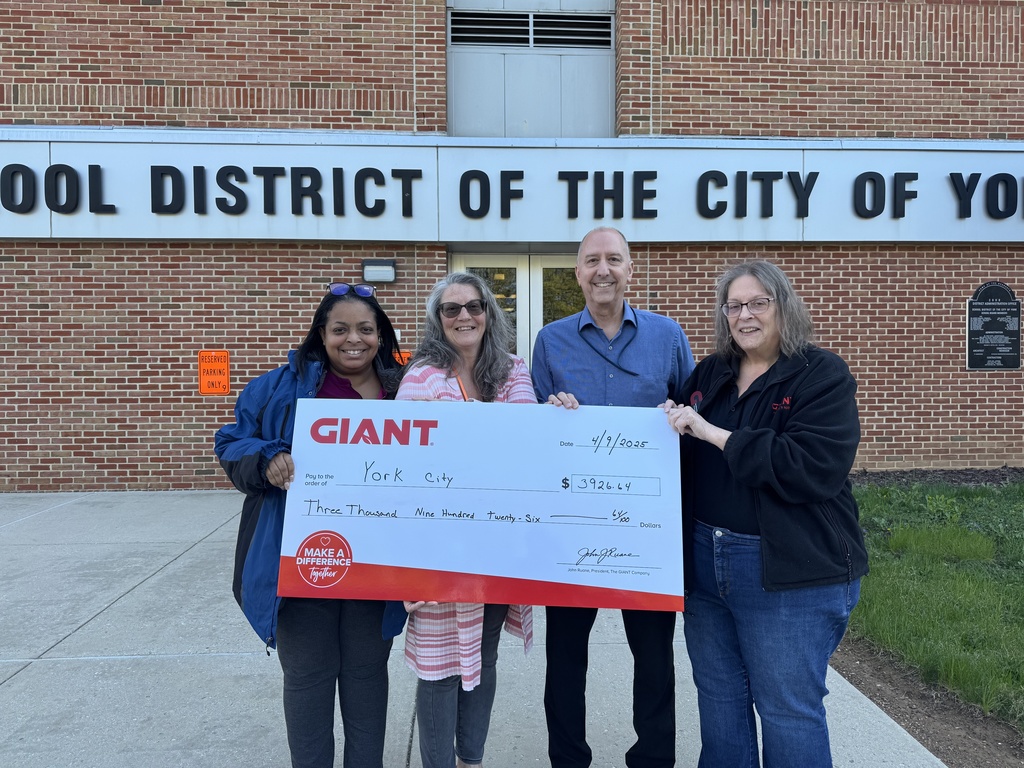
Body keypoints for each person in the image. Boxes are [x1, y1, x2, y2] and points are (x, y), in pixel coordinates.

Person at [664, 260, 869, 768]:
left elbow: (809, 467)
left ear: (784, 306)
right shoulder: (712, 373)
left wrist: (713, 433)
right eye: (734, 305)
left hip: (787, 573)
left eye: (758, 303)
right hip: (704, 567)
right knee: (719, 702)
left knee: (787, 713)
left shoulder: (821, 375)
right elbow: (672, 442)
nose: (744, 315)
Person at [215, 282, 408, 768]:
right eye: (340, 329)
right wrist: (266, 457)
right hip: (301, 561)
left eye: (366, 329)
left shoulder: (406, 389)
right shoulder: (279, 386)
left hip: (375, 563)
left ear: (381, 335)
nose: (354, 340)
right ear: (321, 334)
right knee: (307, 681)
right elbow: (232, 441)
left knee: (367, 679)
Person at [531, 226, 695, 768]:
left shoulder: (668, 337)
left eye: (614, 260)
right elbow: (532, 433)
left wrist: (677, 420)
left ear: (631, 269)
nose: (604, 270)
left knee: (652, 658)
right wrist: (550, 413)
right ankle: (568, 759)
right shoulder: (550, 341)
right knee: (565, 659)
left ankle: (652, 759)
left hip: (645, 530)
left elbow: (691, 415)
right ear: (577, 272)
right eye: (592, 260)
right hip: (572, 526)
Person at [398, 271, 536, 768]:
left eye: (474, 306)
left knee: (484, 653)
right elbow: (407, 463)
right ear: (438, 320)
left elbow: (523, 436)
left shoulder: (514, 369)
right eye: (451, 309)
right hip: (438, 544)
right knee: (438, 666)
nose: (464, 316)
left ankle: (470, 759)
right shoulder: (420, 377)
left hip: (498, 546)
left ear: (489, 313)